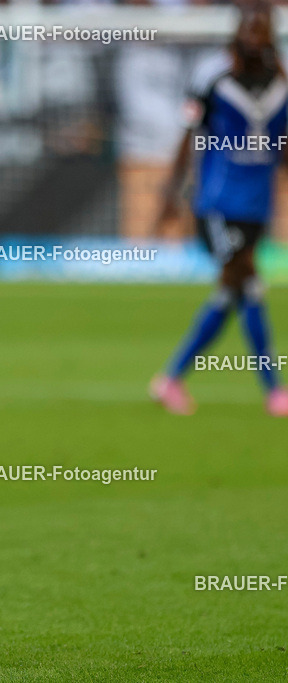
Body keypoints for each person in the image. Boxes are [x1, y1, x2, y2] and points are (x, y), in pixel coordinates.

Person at [152, 5, 288, 417]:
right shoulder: (211, 76)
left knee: (233, 292)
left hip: (256, 207)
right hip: (216, 204)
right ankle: (274, 391)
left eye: (262, 21)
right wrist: (170, 195)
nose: (254, 28)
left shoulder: (281, 83)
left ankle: (170, 379)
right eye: (249, 20)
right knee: (247, 283)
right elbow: (187, 134)